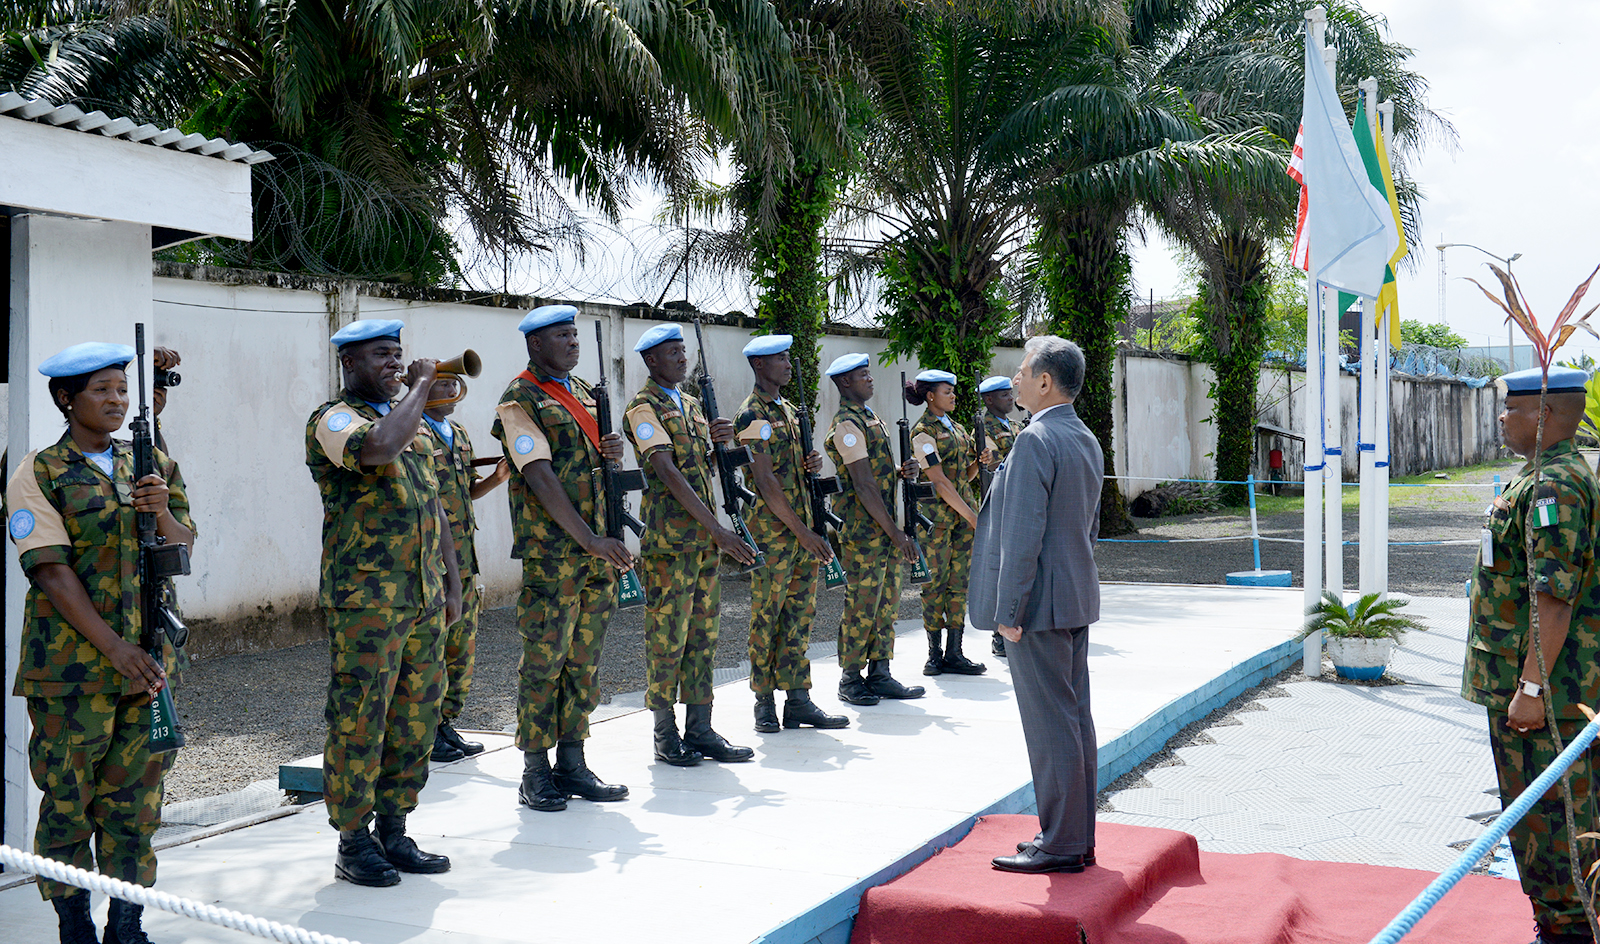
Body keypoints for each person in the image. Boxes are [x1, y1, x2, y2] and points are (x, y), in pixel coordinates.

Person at [7, 342, 196, 944]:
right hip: (70, 674)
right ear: (66, 399)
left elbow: (184, 546)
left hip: (147, 668)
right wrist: (115, 648)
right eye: (100, 390)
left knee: (137, 804)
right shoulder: (37, 471)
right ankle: (73, 922)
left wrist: (162, 510)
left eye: (121, 389)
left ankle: (127, 919)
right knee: (67, 802)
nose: (115, 399)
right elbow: (51, 571)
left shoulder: (151, 465)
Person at [306, 318, 463, 888]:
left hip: (419, 596)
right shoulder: (335, 419)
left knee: (415, 718)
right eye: (381, 356)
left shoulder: (410, 420)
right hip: (367, 601)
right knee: (360, 719)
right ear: (349, 364)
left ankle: (394, 830)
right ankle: (353, 839)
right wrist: (421, 386)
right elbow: (377, 448)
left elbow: (434, 504)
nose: (396, 364)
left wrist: (451, 580)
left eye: (399, 355)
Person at [1463, 366, 1600, 944]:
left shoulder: (1554, 488)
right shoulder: (1542, 477)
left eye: (1512, 408)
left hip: (1550, 697)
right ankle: (1558, 923)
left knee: (1554, 825)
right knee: (1538, 822)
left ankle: (1569, 931)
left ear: (1544, 415)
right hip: (1539, 689)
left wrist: (1532, 690)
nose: (1502, 417)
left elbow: (1554, 595)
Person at [491, 305, 632, 811]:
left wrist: (609, 449)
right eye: (561, 336)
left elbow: (589, 466)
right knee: (544, 664)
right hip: (556, 557)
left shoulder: (583, 396)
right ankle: (535, 771)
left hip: (595, 556)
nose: (573, 342)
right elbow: (539, 475)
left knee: (584, 664)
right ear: (535, 345)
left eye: (575, 335)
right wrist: (590, 539)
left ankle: (573, 762)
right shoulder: (519, 399)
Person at [974, 336, 1102, 875]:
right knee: (1073, 721)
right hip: (1071, 598)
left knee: (1051, 726)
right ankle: (1073, 835)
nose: (1015, 380)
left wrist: (1009, 611)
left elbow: (1022, 535)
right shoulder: (1084, 437)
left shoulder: (1035, 440)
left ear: (1045, 382)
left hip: (1038, 608)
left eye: (1022, 372)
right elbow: (1085, 528)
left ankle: (1062, 844)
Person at [623, 323, 758, 765]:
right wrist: (718, 529)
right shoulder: (643, 409)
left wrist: (721, 441)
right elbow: (665, 470)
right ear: (651, 361)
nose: (682, 358)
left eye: (683, 351)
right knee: (668, 639)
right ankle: (666, 736)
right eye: (672, 352)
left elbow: (704, 466)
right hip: (670, 545)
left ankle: (700, 729)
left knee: (703, 637)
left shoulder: (695, 406)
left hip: (702, 544)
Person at [734, 335, 850, 733]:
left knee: (800, 614)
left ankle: (797, 699)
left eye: (787, 357)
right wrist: (803, 533)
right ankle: (764, 702)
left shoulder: (787, 410)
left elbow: (791, 471)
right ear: (759, 366)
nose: (787, 363)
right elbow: (765, 483)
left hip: (802, 530)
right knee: (767, 616)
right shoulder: (752, 416)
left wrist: (810, 462)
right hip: (775, 535)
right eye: (779, 358)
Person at [824, 353, 925, 706]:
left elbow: (877, 474)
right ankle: (850, 678)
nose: (869, 379)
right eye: (862, 375)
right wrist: (897, 534)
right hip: (864, 531)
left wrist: (901, 470)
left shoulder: (870, 418)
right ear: (844, 383)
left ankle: (879, 671)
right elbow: (863, 485)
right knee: (863, 603)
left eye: (868, 373)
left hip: (882, 527)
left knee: (886, 601)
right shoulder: (847, 425)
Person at [421, 372, 511, 762]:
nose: (451, 389)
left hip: (463, 558)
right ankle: (424, 730)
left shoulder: (457, 432)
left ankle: (444, 722)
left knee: (462, 647)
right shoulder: (416, 431)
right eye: (442, 383)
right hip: (432, 560)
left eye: (454, 383)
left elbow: (466, 492)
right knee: (433, 648)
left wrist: (496, 479)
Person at [905, 370, 985, 678]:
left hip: (962, 518)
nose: (953, 396)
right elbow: (938, 482)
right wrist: (971, 515)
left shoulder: (958, 428)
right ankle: (933, 654)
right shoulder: (922, 433)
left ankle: (955, 652)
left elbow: (963, 477)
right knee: (934, 584)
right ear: (930, 396)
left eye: (953, 391)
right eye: (947, 392)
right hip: (938, 521)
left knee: (958, 583)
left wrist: (979, 461)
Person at [978, 374, 1024, 659]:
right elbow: (992, 465)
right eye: (1004, 395)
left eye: (1010, 393)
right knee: (1001, 571)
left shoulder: (1017, 426)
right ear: (989, 400)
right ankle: (999, 635)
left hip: (1020, 503)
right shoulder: (985, 430)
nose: (1010, 398)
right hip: (1001, 505)